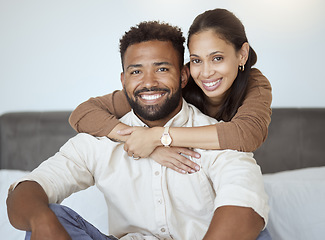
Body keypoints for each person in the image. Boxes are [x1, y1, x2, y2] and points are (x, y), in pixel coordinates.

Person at [7, 21, 270, 240]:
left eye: (162, 69)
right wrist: (42, 221)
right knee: (49, 216)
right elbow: (27, 190)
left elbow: (243, 206)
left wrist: (159, 137)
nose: (149, 83)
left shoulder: (219, 137)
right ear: (123, 80)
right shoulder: (100, 140)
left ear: (182, 76)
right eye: (136, 72)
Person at [69, 8, 272, 174]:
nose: (206, 72)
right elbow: (83, 113)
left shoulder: (255, 84)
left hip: (231, 180)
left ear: (242, 54)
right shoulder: (174, 82)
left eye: (217, 58)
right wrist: (144, 142)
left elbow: (246, 134)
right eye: (196, 60)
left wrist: (158, 137)